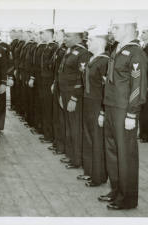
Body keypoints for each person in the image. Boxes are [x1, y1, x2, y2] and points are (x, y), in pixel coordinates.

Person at [98, 18, 148, 210]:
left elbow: (138, 85)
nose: (112, 31)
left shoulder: (136, 53)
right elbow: (109, 83)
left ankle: (127, 198)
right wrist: (104, 108)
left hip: (123, 110)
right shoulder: (117, 49)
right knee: (112, 152)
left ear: (129, 28)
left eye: (116, 27)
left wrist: (132, 113)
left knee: (125, 154)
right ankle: (116, 190)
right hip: (111, 106)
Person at [79, 26, 109, 187]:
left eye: (90, 40)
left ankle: (98, 176)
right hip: (88, 102)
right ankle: (89, 171)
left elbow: (107, 89)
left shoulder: (104, 61)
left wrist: (103, 111)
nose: (87, 43)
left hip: (98, 104)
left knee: (97, 140)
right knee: (89, 138)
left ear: (99, 41)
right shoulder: (93, 59)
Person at [58, 27, 91, 169]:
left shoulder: (83, 53)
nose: (65, 39)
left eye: (68, 36)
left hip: (73, 95)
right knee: (69, 126)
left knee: (75, 127)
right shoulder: (69, 50)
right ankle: (71, 155)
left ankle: (77, 159)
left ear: (78, 37)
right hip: (65, 93)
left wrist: (74, 98)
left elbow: (81, 78)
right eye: (64, 36)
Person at [31, 26, 58, 145]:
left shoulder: (54, 47)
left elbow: (53, 67)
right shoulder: (46, 46)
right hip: (42, 80)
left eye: (43, 33)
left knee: (47, 108)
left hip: (48, 81)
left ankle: (48, 135)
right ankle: (43, 131)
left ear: (49, 33)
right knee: (43, 106)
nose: (41, 35)